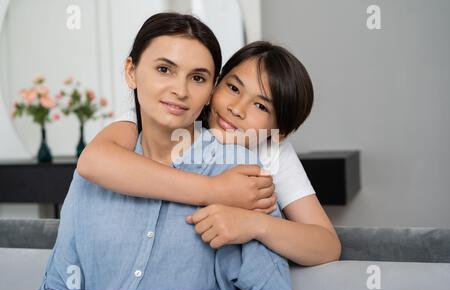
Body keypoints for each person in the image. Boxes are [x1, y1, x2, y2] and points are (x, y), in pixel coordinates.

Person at [36, 13, 293, 290]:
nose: (180, 90)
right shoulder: (97, 170)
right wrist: (213, 191)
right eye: (164, 69)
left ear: (210, 91)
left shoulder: (240, 173)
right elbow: (59, 288)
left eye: (197, 78)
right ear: (131, 71)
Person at [77, 42, 341, 267]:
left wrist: (254, 224)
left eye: (260, 105)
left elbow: (327, 246)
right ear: (215, 85)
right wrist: (214, 190)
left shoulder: (272, 150)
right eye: (234, 88)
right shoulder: (171, 114)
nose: (237, 108)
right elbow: (93, 161)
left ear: (279, 132)